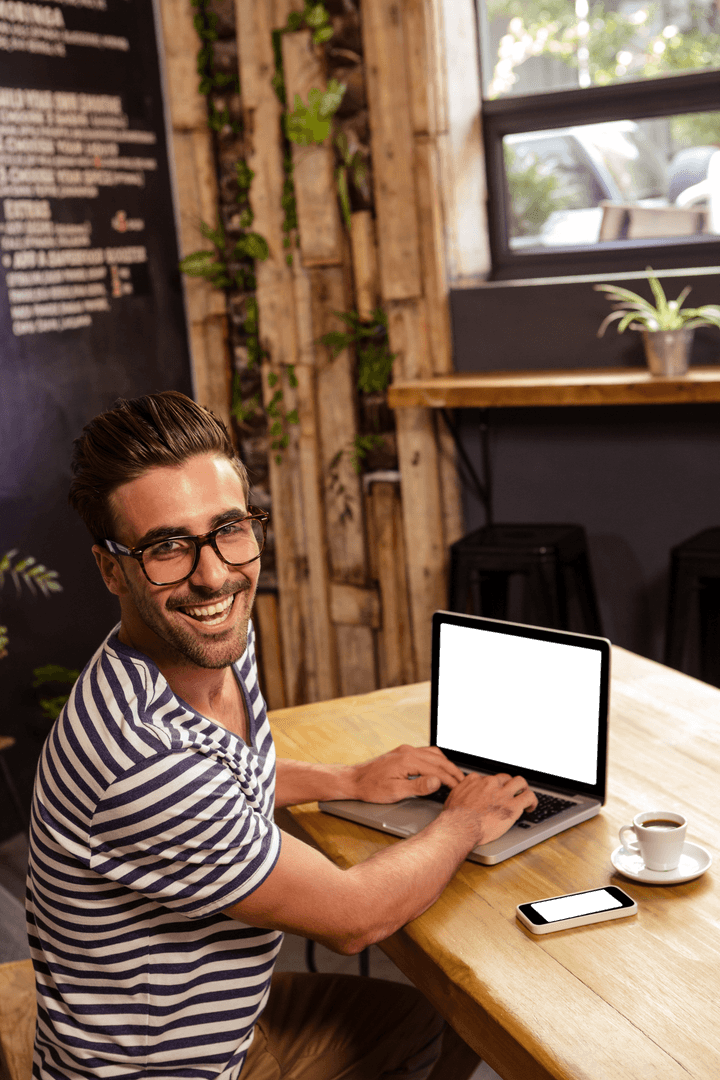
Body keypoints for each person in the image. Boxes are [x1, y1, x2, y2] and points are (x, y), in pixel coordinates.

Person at [27, 391, 537, 1080]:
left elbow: (227, 777)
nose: (214, 575)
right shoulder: (142, 760)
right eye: (167, 547)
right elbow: (354, 918)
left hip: (222, 1034)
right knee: (472, 1013)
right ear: (112, 568)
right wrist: (463, 822)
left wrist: (346, 779)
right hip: (168, 1070)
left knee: (434, 1021)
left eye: (228, 529)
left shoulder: (218, 640)